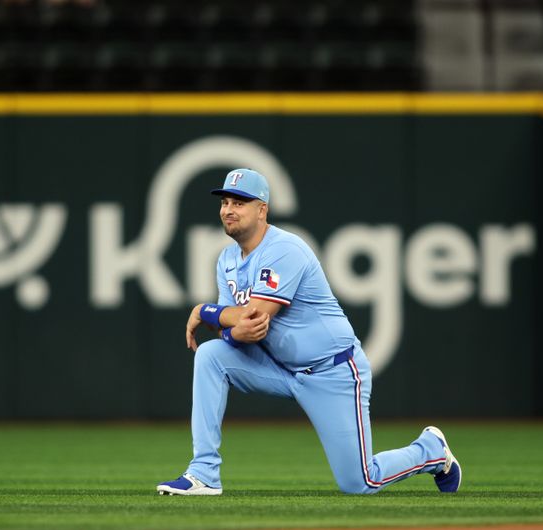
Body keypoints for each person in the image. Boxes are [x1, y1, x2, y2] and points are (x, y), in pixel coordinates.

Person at [157, 168, 462, 496]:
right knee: (210, 355)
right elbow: (234, 330)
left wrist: (204, 311)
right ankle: (203, 474)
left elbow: (251, 315)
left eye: (240, 202)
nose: (229, 209)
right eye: (225, 202)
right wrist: (230, 328)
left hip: (332, 370)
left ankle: (431, 450)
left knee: (360, 482)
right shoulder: (227, 259)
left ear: (262, 209)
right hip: (279, 367)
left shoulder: (285, 249)